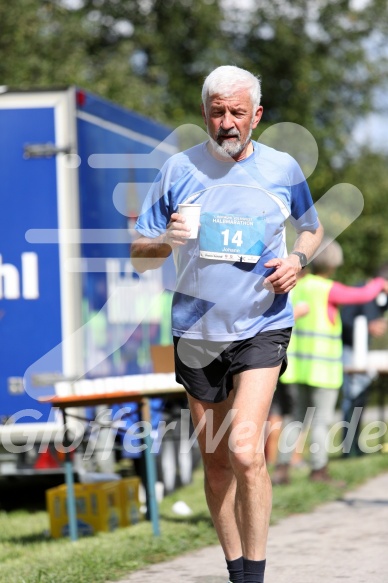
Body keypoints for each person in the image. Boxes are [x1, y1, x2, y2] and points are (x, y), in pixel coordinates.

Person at [131, 65, 323, 583]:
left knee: (244, 448)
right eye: (218, 112)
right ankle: (236, 568)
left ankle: (253, 578)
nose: (227, 122)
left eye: (238, 112)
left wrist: (298, 263)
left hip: (263, 324)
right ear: (204, 114)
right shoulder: (177, 171)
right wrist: (168, 239)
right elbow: (139, 254)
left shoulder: (283, 169)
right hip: (197, 332)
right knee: (216, 465)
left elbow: (311, 228)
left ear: (257, 116)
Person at [273, 240, 388, 486]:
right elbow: (362, 295)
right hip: (322, 371)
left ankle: (282, 469)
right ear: (335, 264)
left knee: (295, 419)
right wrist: (380, 283)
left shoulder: (300, 287)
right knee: (321, 420)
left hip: (297, 369)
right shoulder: (328, 289)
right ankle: (319, 470)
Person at [341, 264, 388, 457]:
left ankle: (356, 446)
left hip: (365, 354)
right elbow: (344, 320)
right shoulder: (359, 292)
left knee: (361, 399)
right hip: (349, 351)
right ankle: (348, 448)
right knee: (351, 398)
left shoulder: (379, 299)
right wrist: (368, 327)